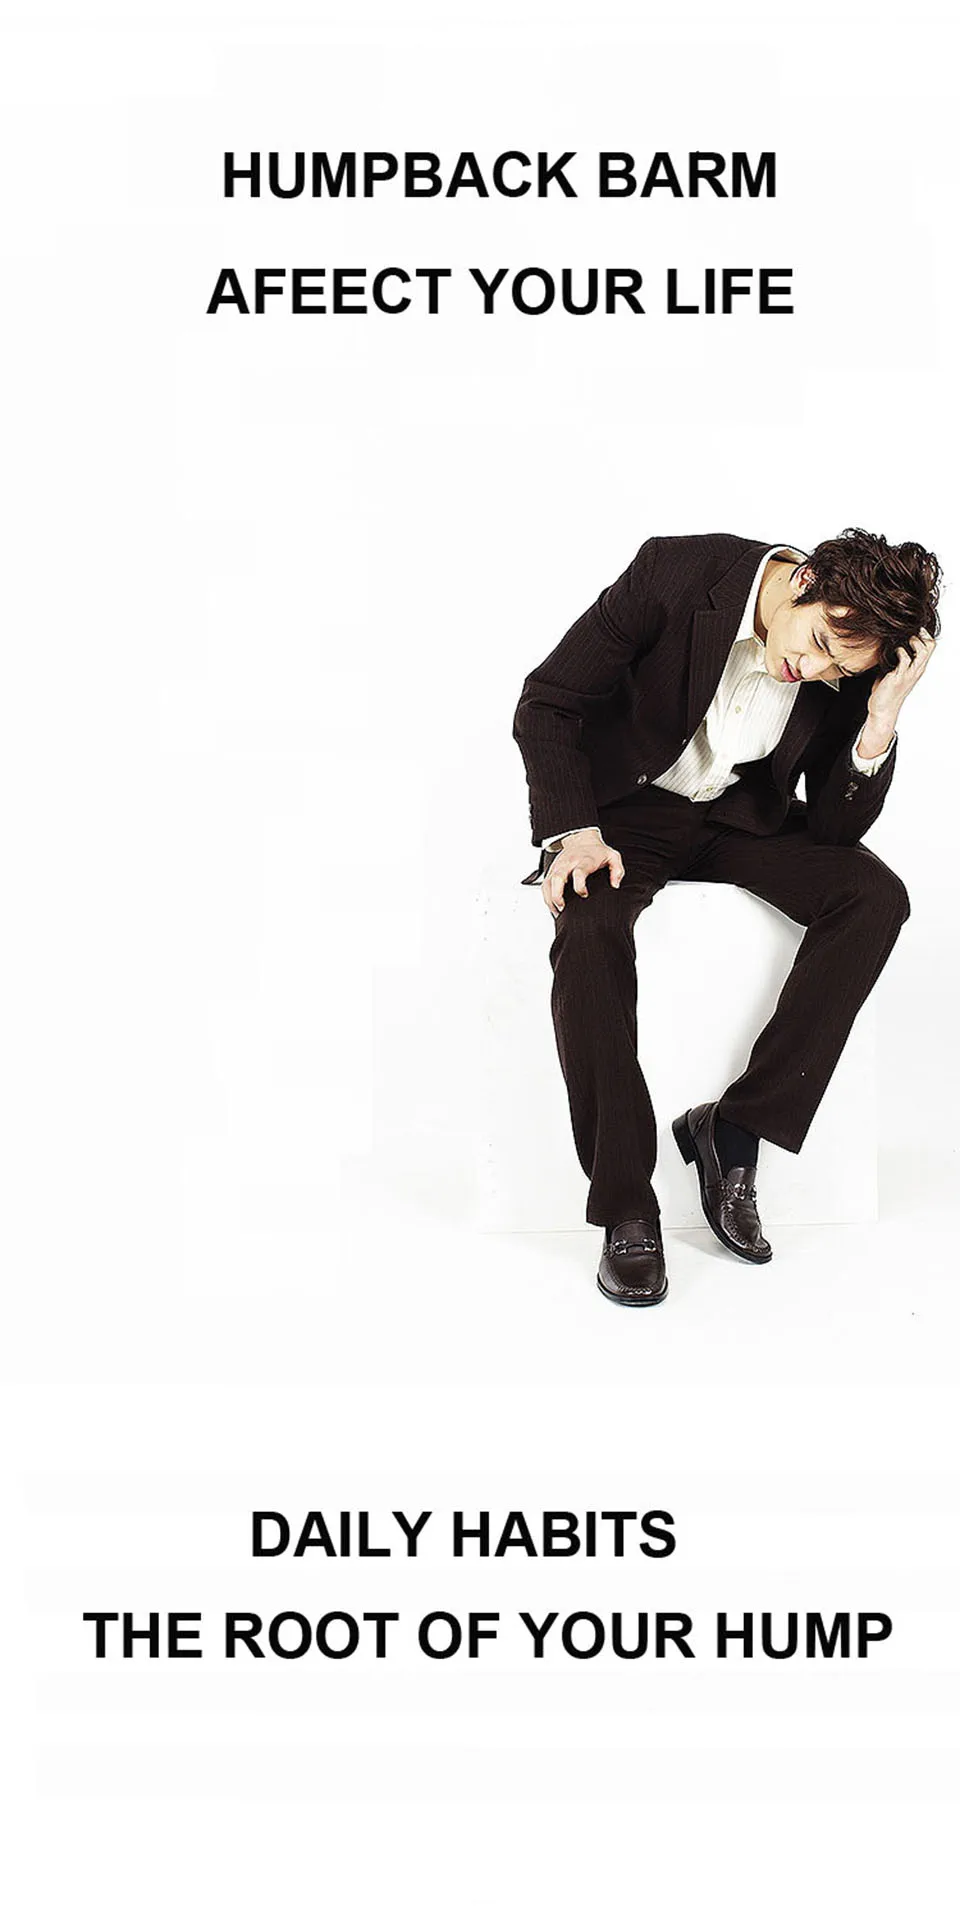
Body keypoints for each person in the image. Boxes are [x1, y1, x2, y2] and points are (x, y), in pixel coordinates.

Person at [513, 529, 940, 1307]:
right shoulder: (676, 573)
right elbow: (550, 702)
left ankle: (733, 1129)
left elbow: (836, 829)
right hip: (625, 816)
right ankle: (626, 1207)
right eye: (819, 645)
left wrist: (879, 717)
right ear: (804, 580)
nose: (815, 672)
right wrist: (574, 832)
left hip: (740, 818)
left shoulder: (852, 657)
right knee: (590, 925)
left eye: (840, 671)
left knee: (874, 896)